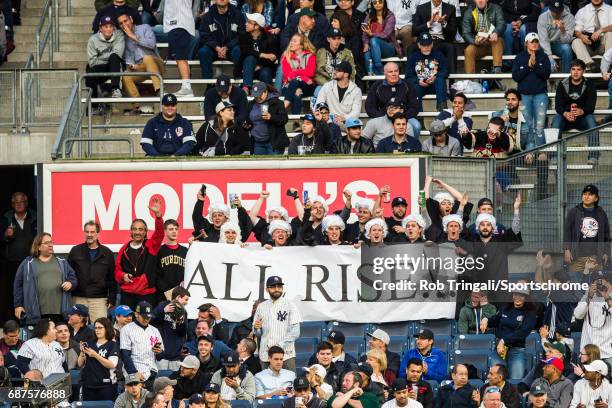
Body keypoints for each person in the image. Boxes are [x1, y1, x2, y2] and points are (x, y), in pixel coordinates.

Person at [13, 232, 77, 324]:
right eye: (46, 243)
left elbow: (73, 277)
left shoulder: (62, 262)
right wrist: (18, 305)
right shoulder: (28, 263)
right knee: (39, 338)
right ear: (38, 246)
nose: (50, 245)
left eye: (51, 242)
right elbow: (17, 285)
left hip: (59, 312)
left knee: (58, 337)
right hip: (36, 312)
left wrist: (70, 283)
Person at [114, 199, 164, 309]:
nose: (137, 232)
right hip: (128, 294)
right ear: (130, 231)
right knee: (127, 323)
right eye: (135, 229)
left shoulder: (151, 245)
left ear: (146, 232)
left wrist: (158, 216)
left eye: (141, 229)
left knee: (146, 323)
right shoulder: (124, 248)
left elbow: (159, 234)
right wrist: (123, 276)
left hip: (146, 294)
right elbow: (117, 271)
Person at [482, 288, 537, 380]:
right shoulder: (506, 308)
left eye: (521, 295)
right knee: (495, 379)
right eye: (515, 294)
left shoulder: (530, 312)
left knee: (515, 381)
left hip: (517, 351)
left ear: (526, 297)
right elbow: (495, 320)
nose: (517, 297)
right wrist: (486, 319)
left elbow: (523, 332)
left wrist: (504, 340)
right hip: (499, 350)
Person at [67, 220, 115, 322]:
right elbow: (68, 274)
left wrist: (112, 299)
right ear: (84, 232)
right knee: (76, 327)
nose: (89, 235)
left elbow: (112, 279)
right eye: (87, 232)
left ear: (98, 233)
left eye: (92, 232)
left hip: (99, 300)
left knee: (100, 329)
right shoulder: (75, 251)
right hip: (78, 298)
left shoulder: (107, 253)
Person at [554, 59, 600, 162]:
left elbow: (591, 107)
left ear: (583, 71)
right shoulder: (562, 84)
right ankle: (554, 156)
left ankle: (593, 155)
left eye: (578, 70)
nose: (575, 72)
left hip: (582, 119)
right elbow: (558, 106)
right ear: (570, 70)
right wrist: (565, 113)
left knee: (591, 120)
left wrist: (582, 111)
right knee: (556, 119)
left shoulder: (590, 85)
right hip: (565, 118)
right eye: (573, 69)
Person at [0, 192, 36, 322]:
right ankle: (13, 321)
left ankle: (30, 320)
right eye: (16, 202)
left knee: (31, 290)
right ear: (12, 204)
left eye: (21, 201)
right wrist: (5, 236)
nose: (19, 204)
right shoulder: (6, 219)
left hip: (31, 262)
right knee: (13, 291)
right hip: (12, 263)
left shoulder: (35, 217)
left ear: (26, 203)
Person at [118, 12, 163, 115]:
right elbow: (129, 58)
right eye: (121, 23)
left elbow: (151, 45)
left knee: (147, 58)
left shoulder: (144, 27)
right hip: (141, 67)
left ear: (131, 19)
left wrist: (133, 36)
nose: (124, 24)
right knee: (125, 76)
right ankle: (136, 106)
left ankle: (159, 91)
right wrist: (132, 65)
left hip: (156, 62)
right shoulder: (124, 39)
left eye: (125, 21)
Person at [512, 32, 551, 151]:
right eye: (532, 41)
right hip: (524, 96)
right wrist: (528, 67)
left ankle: (541, 152)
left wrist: (534, 65)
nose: (534, 44)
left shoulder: (544, 57)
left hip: (540, 95)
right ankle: (530, 151)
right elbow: (515, 77)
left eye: (536, 41)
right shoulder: (519, 57)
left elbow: (546, 75)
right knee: (527, 126)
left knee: (539, 126)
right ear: (526, 43)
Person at [254, 276, 301, 371]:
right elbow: (257, 334)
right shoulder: (261, 307)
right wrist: (257, 329)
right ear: (267, 289)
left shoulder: (290, 305)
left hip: (286, 354)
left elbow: (295, 332)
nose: (277, 289)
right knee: (266, 383)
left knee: (289, 383)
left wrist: (278, 346)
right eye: (273, 287)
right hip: (266, 354)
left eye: (279, 287)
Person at [365, 62, 421, 137]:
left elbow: (415, 106)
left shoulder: (407, 85)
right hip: (384, 117)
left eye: (396, 71)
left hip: (403, 117)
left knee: (416, 125)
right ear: (384, 73)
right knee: (370, 125)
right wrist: (385, 116)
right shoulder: (377, 86)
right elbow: (369, 107)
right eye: (390, 72)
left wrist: (402, 115)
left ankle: (412, 146)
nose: (394, 74)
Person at [564, 184, 610, 272]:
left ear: (596, 198)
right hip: (576, 257)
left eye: (590, 194)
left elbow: (606, 234)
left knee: (594, 283)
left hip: (595, 258)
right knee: (576, 284)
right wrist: (567, 250)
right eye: (584, 194)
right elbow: (567, 232)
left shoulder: (601, 213)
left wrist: (606, 252)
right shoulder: (574, 211)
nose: (586, 196)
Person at [120, 301, 164, 389]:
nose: (147, 319)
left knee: (150, 402)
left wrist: (159, 352)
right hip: (133, 374)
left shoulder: (154, 330)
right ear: (136, 314)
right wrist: (134, 373)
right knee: (134, 402)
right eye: (144, 317)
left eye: (149, 317)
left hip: (151, 373)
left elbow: (160, 356)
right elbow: (125, 355)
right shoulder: (127, 329)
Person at [197, 0, 244, 79]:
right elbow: (204, 35)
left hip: (231, 49)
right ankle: (209, 84)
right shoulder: (207, 16)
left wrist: (227, 47)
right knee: (203, 52)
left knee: (238, 50)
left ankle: (239, 80)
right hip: (214, 49)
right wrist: (216, 47)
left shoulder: (238, 15)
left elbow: (242, 35)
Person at [573, 271, 612, 366]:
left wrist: (607, 298)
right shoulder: (587, 296)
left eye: (602, 282)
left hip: (607, 351)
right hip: (588, 350)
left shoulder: (610, 297)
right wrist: (588, 296)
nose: (600, 285)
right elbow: (578, 315)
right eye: (596, 282)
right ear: (591, 284)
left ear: (607, 283)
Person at [77, 317, 119, 401]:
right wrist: (82, 352)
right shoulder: (89, 343)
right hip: (88, 385)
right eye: (95, 328)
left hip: (106, 386)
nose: (97, 330)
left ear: (107, 328)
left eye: (100, 328)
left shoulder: (113, 345)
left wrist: (95, 355)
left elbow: (111, 364)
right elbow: (79, 364)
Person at [405, 32, 449, 112]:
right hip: (420, 86)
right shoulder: (413, 57)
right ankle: (419, 118)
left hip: (435, 85)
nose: (426, 47)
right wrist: (418, 81)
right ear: (419, 45)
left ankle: (442, 108)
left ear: (432, 44)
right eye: (424, 45)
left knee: (440, 80)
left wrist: (435, 77)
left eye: (428, 45)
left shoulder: (438, 55)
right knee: (414, 88)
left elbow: (445, 71)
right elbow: (408, 76)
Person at [411, 0, 457, 73]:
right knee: (411, 48)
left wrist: (443, 23)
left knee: (451, 48)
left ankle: (451, 81)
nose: (436, 1)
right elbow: (414, 31)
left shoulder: (450, 8)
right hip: (425, 40)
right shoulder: (421, 8)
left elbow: (453, 31)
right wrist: (429, 23)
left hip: (441, 41)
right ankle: (411, 79)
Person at [86, 16, 125, 100]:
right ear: (100, 28)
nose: (108, 29)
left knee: (114, 57)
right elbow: (92, 62)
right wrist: (108, 59)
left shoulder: (119, 35)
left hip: (116, 66)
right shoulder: (93, 40)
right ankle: (93, 104)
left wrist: (102, 57)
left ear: (114, 28)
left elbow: (118, 54)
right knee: (89, 71)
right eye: (106, 27)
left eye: (111, 26)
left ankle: (115, 88)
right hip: (100, 67)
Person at [461, 0, 506, 74]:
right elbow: (466, 33)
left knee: (496, 40)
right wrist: (474, 41)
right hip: (479, 44)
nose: (480, 1)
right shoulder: (469, 12)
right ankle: (470, 80)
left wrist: (496, 33)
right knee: (469, 50)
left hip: (495, 44)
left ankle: (497, 69)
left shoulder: (496, 8)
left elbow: (501, 23)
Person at [244, 82, 289, 155]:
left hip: (273, 142)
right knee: (259, 166)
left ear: (266, 92)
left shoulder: (277, 102)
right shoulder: (251, 104)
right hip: (257, 142)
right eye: (255, 96)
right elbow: (249, 121)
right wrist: (247, 126)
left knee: (273, 165)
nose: (257, 98)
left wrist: (271, 117)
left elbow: (284, 119)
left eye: (259, 95)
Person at [164, 0, 197, 97]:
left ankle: (186, 88)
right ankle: (186, 87)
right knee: (181, 57)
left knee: (180, 58)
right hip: (176, 24)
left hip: (178, 24)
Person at [238, 13, 278, 91]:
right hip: (246, 68)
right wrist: (262, 55)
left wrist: (260, 66)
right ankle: (246, 88)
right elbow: (245, 51)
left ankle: (269, 95)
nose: (246, 24)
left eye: (249, 22)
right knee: (250, 58)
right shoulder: (243, 36)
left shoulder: (269, 38)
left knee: (265, 73)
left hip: (263, 67)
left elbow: (273, 57)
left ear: (257, 26)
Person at [281, 32, 317, 117]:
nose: (291, 43)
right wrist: (304, 77)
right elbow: (288, 77)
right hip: (289, 86)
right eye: (291, 41)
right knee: (296, 93)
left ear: (301, 45)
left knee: (296, 80)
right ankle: (296, 123)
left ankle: (283, 107)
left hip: (307, 87)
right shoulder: (286, 56)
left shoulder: (310, 56)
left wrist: (295, 72)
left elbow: (310, 72)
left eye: (294, 41)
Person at [362, 0, 401, 75]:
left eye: (380, 2)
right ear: (372, 4)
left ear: (384, 3)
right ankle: (373, 79)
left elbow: (385, 34)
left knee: (373, 40)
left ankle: (378, 67)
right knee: (366, 54)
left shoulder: (390, 16)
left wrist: (372, 34)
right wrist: (366, 44)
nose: (377, 4)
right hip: (373, 47)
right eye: (375, 2)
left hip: (388, 47)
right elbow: (365, 32)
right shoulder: (369, 16)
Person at [572, 0, 612, 72]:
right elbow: (576, 30)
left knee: (610, 34)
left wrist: (601, 30)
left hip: (604, 44)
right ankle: (590, 65)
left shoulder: (610, 9)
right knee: (576, 41)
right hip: (588, 43)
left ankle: (608, 64)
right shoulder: (582, 11)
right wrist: (581, 36)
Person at [537, 0, 575, 73]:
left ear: (563, 9)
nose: (556, 14)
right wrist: (550, 57)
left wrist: (563, 31)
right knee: (535, 47)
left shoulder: (570, 17)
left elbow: (567, 41)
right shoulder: (543, 17)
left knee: (566, 49)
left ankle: (565, 80)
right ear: (550, 8)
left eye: (558, 11)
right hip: (543, 45)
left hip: (558, 44)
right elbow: (543, 39)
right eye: (553, 11)